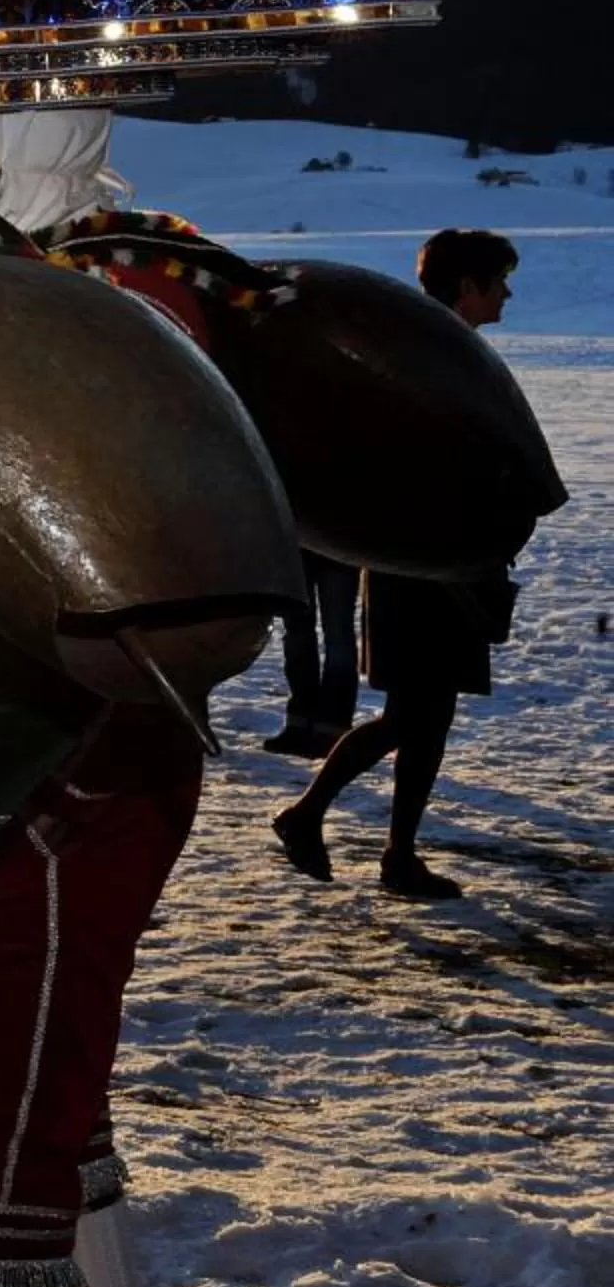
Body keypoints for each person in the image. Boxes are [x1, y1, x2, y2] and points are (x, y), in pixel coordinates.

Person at [0, 108, 289, 1287]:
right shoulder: (106, 266)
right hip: (54, 733)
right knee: (40, 1061)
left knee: (17, 1072)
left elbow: (68, 398)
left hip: (88, 746)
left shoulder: (130, 277)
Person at [273, 228, 524, 903]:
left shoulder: (440, 352)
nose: (508, 293)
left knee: (424, 716)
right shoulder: (427, 357)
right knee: (413, 715)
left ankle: (393, 852)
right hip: (422, 565)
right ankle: (315, 819)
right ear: (468, 286)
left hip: (434, 562)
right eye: (499, 279)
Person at [268, 553, 361, 756]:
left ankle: (331, 727)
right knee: (300, 635)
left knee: (337, 636)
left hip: (337, 549)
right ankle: (301, 721)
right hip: (302, 551)